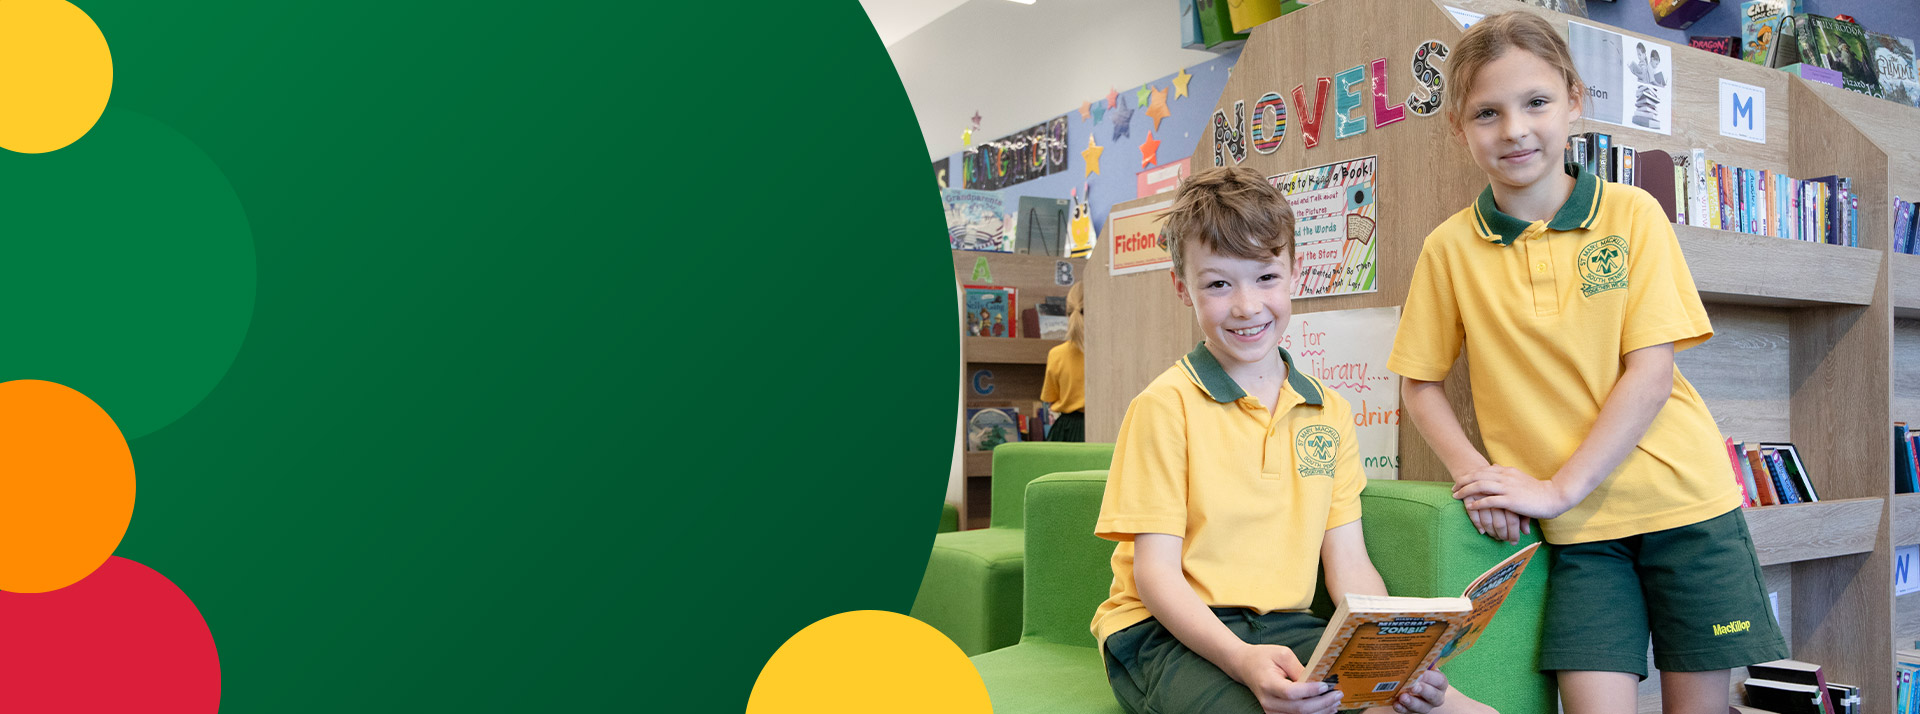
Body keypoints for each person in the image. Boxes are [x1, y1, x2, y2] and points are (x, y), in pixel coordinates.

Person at [1388, 12, 1787, 714]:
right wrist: (1477, 478)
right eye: (1488, 112)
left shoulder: (1632, 215)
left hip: (1686, 508)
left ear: (1574, 100)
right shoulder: (1449, 249)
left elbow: (1651, 374)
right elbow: (1419, 385)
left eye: (1536, 102)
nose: (1514, 129)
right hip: (1580, 538)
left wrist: (1555, 489)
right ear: (1459, 128)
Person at [1092, 166, 1493, 714]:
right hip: (1162, 632)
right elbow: (1156, 577)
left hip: (1287, 624)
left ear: (1295, 273)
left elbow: (1348, 562)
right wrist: (1240, 660)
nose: (1246, 306)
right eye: (1217, 284)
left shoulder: (1330, 412)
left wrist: (1393, 657)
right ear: (1182, 288)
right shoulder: (1163, 408)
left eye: (1264, 277)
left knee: (1452, 709)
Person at [1041, 282, 1086, 442]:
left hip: (1065, 431)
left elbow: (1050, 397)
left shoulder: (1056, 354)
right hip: (1103, 425)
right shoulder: (1108, 354)